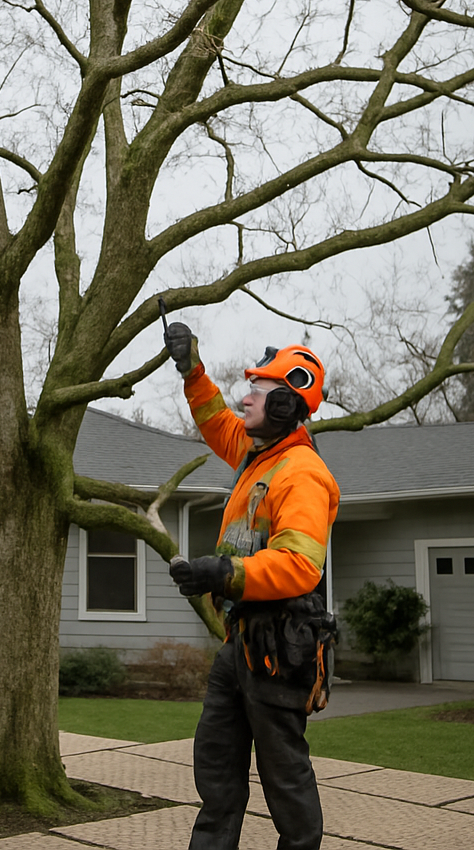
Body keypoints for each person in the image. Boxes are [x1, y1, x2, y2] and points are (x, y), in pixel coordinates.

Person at [164, 321, 340, 850]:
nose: (244, 400)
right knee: (215, 773)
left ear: (286, 406)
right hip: (239, 646)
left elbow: (299, 566)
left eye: (257, 394)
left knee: (286, 782)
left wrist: (224, 573)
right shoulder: (256, 455)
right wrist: (191, 370)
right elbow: (218, 422)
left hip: (279, 646)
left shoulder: (300, 473)